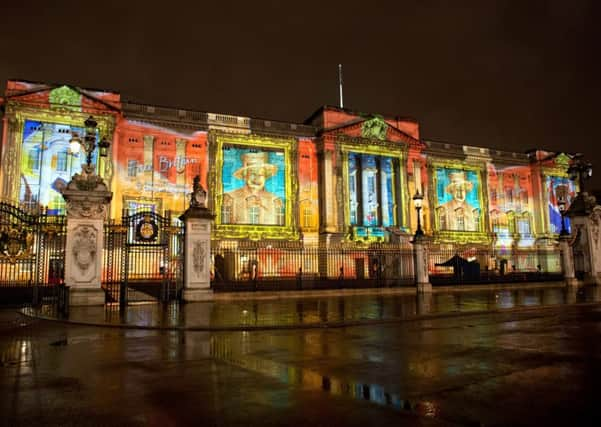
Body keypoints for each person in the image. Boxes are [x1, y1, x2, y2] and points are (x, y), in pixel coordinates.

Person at [222, 152, 283, 225]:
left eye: (260, 174)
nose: (256, 178)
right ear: (245, 176)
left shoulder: (275, 200)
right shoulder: (229, 198)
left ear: (265, 177)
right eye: (252, 174)